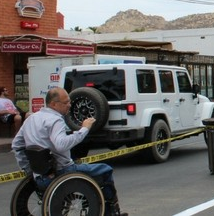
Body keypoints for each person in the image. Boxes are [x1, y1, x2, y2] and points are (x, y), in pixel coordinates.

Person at [12, 88, 128, 216]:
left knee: (76, 159)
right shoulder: (55, 120)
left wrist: (30, 170)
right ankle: (112, 212)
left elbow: (17, 145)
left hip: (40, 177)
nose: (70, 104)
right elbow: (61, 145)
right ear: (54, 104)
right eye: (66, 102)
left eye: (70, 101)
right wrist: (84, 129)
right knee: (105, 170)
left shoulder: (31, 119)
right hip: (62, 172)